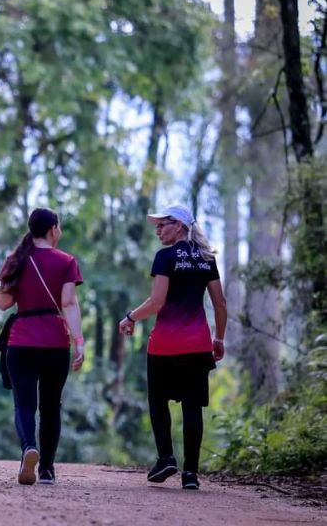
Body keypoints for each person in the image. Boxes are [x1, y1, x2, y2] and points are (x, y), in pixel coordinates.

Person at [119, 204, 227, 490]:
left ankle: (166, 457)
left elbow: (157, 302)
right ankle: (190, 474)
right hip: (198, 344)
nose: (157, 230)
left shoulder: (165, 257)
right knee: (193, 407)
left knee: (157, 401)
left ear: (178, 226)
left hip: (165, 346)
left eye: (162, 224)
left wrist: (130, 317)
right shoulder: (206, 259)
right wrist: (219, 338)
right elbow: (220, 304)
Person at [0, 207, 85, 486]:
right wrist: (79, 341)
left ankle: (28, 449)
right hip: (55, 342)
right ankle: (46, 468)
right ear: (53, 229)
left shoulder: (16, 258)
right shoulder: (67, 261)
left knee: (24, 404)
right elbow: (69, 303)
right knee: (50, 407)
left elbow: (3, 303)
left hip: (21, 341)